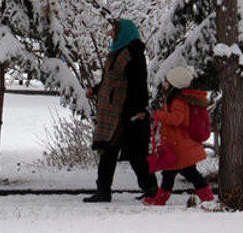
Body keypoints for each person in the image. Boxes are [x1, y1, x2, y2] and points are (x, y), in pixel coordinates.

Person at [83, 19, 158, 203]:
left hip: (126, 112)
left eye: (114, 30)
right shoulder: (117, 53)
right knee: (110, 150)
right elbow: (111, 80)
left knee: (133, 153)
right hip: (113, 111)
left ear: (124, 33)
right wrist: (97, 89)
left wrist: (139, 110)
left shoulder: (133, 54)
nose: (111, 33)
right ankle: (105, 190)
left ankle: (150, 188)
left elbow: (139, 84)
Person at [143, 65, 215, 206]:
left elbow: (177, 119)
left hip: (179, 146)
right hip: (178, 144)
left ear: (174, 84)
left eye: (167, 81)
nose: (165, 83)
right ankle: (206, 197)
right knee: (176, 173)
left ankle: (162, 199)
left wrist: (157, 115)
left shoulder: (177, 101)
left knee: (181, 173)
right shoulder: (180, 99)